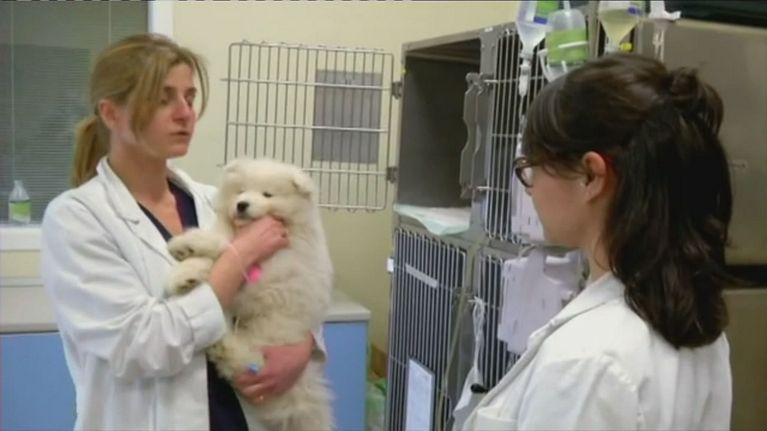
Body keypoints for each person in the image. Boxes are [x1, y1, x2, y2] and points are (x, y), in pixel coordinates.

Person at [40, 33, 323, 431]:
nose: (185, 113)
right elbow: (142, 346)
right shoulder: (76, 219)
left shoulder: (214, 202)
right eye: (163, 99)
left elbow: (294, 284)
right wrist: (239, 257)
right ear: (111, 113)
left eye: (189, 97)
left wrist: (304, 345)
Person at [463, 53, 733, 430]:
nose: (530, 187)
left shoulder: (586, 362)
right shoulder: (698, 327)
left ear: (590, 175)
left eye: (530, 168)